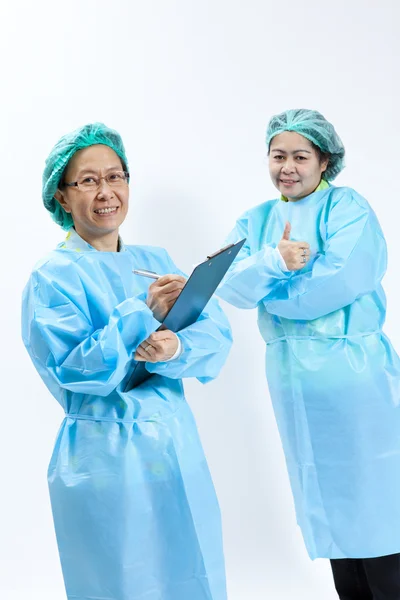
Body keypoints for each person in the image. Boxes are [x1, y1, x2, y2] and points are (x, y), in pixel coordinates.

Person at [22, 123, 232, 600]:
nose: (106, 192)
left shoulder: (154, 259)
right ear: (61, 194)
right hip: (104, 457)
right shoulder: (51, 279)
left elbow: (214, 333)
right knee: (120, 582)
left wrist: (173, 349)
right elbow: (78, 372)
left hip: (175, 446)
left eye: (116, 176)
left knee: (191, 574)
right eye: (88, 180)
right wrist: (142, 313)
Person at [217, 108, 400, 599]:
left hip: (352, 374)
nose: (288, 167)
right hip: (293, 381)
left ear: (325, 161)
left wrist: (270, 290)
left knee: (376, 505)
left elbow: (342, 279)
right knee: (329, 506)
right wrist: (275, 261)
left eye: (301, 156)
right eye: (278, 156)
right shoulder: (255, 221)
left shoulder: (347, 208)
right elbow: (228, 284)